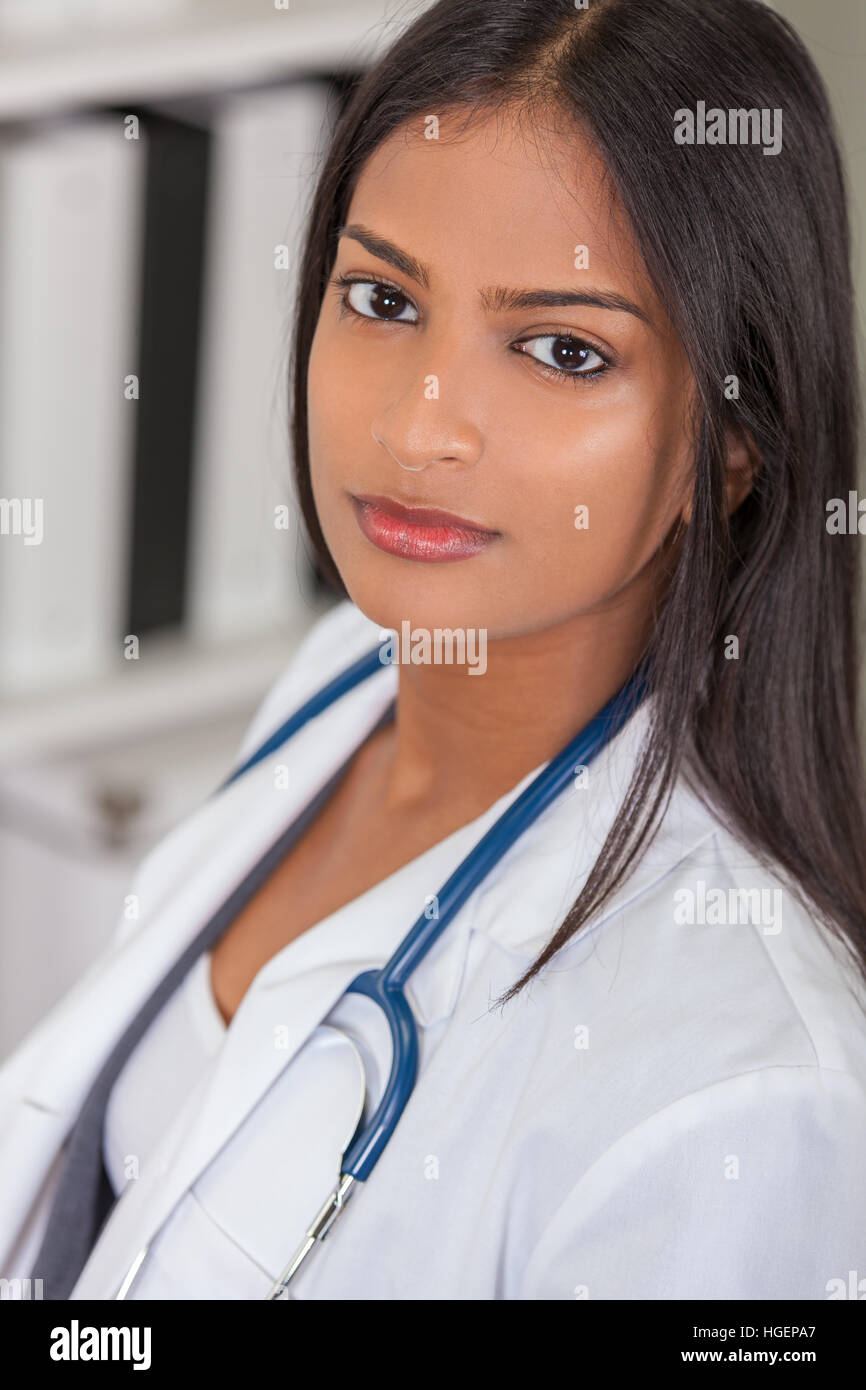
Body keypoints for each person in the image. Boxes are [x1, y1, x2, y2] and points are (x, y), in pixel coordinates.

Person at [2, 0, 866, 1300]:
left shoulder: (738, 1093)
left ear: (732, 445)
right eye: (381, 297)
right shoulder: (343, 678)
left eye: (562, 348)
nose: (420, 425)